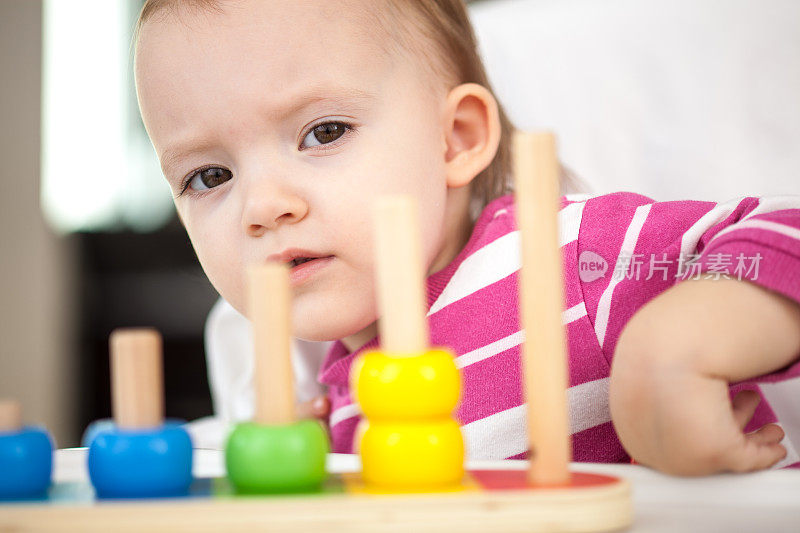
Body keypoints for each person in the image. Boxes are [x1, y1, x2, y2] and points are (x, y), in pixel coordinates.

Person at [133, 0, 800, 475]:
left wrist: (675, 347)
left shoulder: (570, 254)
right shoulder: (325, 396)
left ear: (457, 138)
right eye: (208, 174)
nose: (263, 206)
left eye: (324, 132)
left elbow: (782, 232)